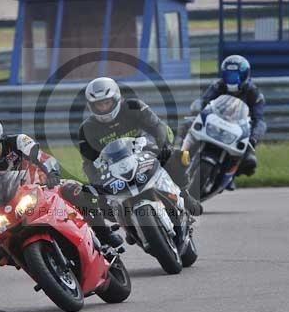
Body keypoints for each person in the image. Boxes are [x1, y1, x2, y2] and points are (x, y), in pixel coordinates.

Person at [0, 110, 122, 266]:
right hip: (14, 207)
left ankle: (104, 234)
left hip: (44, 188)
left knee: (76, 190)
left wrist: (52, 173)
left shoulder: (18, 141)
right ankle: (41, 267)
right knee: (0, 250)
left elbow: (42, 157)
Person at [77, 77, 203, 217]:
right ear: (91, 106)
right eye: (98, 105)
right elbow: (88, 162)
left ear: (116, 98)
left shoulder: (134, 106)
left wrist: (164, 145)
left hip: (145, 152)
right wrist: (95, 181)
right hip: (113, 167)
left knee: (176, 157)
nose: (103, 108)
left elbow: (157, 126)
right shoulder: (87, 128)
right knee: (94, 195)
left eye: (107, 103)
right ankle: (126, 226)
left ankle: (184, 195)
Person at [182, 55, 266, 187]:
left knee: (250, 162)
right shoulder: (218, 86)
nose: (233, 79)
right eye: (229, 75)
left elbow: (259, 119)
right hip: (215, 123)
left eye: (236, 75)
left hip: (237, 129)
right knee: (186, 126)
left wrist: (254, 137)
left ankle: (229, 176)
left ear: (245, 75)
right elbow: (204, 101)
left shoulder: (254, 94)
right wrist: (197, 110)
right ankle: (181, 158)